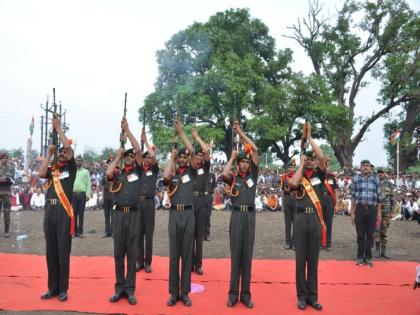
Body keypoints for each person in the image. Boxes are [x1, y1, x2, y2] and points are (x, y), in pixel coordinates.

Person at [38, 116, 76, 302]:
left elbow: (68, 150)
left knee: (63, 251)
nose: (62, 154)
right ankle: (52, 288)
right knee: (50, 251)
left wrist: (58, 128)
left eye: (63, 153)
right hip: (49, 212)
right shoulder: (53, 170)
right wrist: (49, 153)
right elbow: (40, 173)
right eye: (59, 153)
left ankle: (63, 288)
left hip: (63, 211)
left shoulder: (71, 169)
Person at [222, 121, 259, 309]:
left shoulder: (254, 176)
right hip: (236, 217)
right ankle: (233, 294)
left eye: (246, 161)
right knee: (236, 256)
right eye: (242, 161)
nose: (245, 164)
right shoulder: (233, 178)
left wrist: (241, 133)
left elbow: (255, 149)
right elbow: (223, 174)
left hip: (250, 218)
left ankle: (245, 294)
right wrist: (232, 158)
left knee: (247, 256)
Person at [106, 118, 142, 305]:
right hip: (119, 215)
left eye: (129, 156)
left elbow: (137, 149)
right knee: (119, 253)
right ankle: (119, 288)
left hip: (134, 216)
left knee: (132, 253)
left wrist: (127, 131)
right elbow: (108, 174)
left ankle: (130, 289)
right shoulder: (118, 173)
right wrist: (118, 157)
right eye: (126, 156)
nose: (129, 158)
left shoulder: (140, 171)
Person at [289, 124, 326, 311]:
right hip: (301, 220)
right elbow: (293, 183)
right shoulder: (298, 174)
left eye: (311, 160)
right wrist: (301, 164)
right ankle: (301, 296)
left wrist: (310, 138)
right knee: (300, 261)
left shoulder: (320, 174)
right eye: (308, 159)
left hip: (315, 221)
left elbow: (322, 157)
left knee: (313, 261)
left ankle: (313, 297)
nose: (311, 161)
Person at [163, 119, 196, 307]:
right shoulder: (174, 171)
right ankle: (174, 293)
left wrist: (181, 132)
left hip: (189, 215)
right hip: (174, 215)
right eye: (180, 157)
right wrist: (172, 158)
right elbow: (166, 177)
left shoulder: (191, 171)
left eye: (184, 157)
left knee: (186, 254)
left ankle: (185, 292)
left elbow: (192, 151)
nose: (183, 159)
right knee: (174, 255)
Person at [350, 160, 382, 267]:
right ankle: (359, 257)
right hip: (359, 208)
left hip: (372, 209)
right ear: (360, 167)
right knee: (360, 235)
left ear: (370, 167)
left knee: (370, 235)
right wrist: (352, 212)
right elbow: (353, 196)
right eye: (363, 166)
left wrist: (379, 213)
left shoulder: (376, 179)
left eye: (367, 166)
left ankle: (368, 258)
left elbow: (379, 197)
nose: (365, 167)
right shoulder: (356, 179)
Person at [136, 129, 158, 273]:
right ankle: (139, 261)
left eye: (149, 158)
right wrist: (140, 143)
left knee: (148, 234)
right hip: (138, 203)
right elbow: (137, 154)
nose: (147, 159)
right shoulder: (138, 170)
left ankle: (148, 262)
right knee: (138, 233)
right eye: (145, 158)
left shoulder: (154, 169)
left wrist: (146, 141)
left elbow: (153, 155)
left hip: (149, 203)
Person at [191, 127, 210, 275]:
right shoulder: (190, 169)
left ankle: (198, 264)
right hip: (190, 201)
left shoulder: (205, 167)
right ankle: (190, 262)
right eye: (196, 155)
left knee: (199, 235)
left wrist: (197, 137)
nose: (199, 157)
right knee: (190, 235)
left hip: (202, 202)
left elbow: (207, 151)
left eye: (200, 155)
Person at [374, 169, 395, 259]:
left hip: (386, 210)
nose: (380, 174)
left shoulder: (389, 184)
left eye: (382, 172)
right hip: (376, 210)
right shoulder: (374, 183)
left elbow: (392, 198)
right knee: (377, 230)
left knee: (384, 230)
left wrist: (392, 211)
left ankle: (384, 251)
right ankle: (377, 251)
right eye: (378, 173)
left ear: (385, 173)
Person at [72, 156, 92, 238]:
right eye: (77, 161)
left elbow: (89, 184)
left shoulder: (86, 171)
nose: (78, 162)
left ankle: (80, 231)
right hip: (73, 194)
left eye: (80, 161)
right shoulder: (72, 171)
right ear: (75, 162)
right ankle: (75, 231)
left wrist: (87, 195)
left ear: (82, 162)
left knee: (81, 213)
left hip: (82, 194)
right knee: (74, 213)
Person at [321, 159, 338, 251]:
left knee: (329, 223)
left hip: (329, 201)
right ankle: (320, 243)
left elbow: (335, 190)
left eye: (327, 166)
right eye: (324, 166)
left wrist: (336, 203)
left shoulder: (332, 178)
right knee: (320, 223)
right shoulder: (318, 177)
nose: (326, 168)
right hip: (320, 200)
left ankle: (328, 243)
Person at [281, 159, 296, 250]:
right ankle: (287, 242)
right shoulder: (284, 177)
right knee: (287, 222)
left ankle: (294, 243)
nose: (291, 169)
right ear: (288, 168)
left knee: (296, 222)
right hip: (287, 199)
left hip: (296, 200)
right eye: (290, 167)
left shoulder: (298, 176)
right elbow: (283, 191)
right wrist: (282, 205)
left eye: (293, 167)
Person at [0, 152, 15, 238]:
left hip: (7, 192)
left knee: (7, 212)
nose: (5, 159)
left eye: (6, 158)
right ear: (1, 159)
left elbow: (12, 179)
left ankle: (6, 231)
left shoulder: (11, 168)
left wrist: (6, 179)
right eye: (3, 158)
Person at [101, 159, 115, 237]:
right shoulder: (104, 174)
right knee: (106, 215)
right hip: (106, 197)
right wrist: (103, 198)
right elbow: (103, 186)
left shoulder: (116, 174)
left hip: (113, 197)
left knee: (113, 215)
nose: (109, 164)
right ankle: (107, 232)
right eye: (108, 163)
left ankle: (113, 231)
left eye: (111, 163)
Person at [204, 171, 216, 241]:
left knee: (207, 217)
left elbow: (214, 187)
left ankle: (207, 234)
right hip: (201, 197)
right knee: (199, 216)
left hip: (209, 196)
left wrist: (214, 199)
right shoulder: (199, 173)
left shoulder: (212, 175)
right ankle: (199, 234)